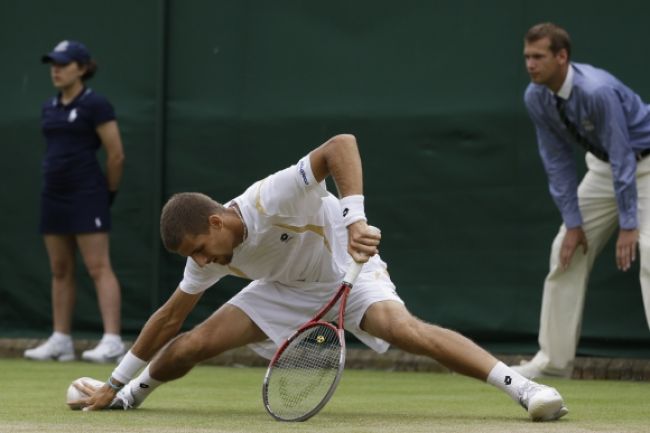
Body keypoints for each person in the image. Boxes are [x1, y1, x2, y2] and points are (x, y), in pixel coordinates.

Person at [72, 134, 567, 421]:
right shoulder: (206, 257)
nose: (201, 262)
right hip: (282, 289)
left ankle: (524, 389)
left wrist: (354, 220)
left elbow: (340, 146)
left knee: (407, 332)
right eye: (193, 257)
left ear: (217, 221)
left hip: (344, 268)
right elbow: (168, 319)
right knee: (192, 343)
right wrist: (117, 383)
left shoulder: (271, 197)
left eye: (201, 249)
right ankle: (130, 399)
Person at [513, 22, 650, 379]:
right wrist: (574, 223)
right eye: (527, 56)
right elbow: (556, 162)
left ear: (562, 57)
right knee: (565, 250)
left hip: (646, 165)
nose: (530, 64)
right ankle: (553, 362)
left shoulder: (596, 90)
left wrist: (629, 224)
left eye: (538, 57)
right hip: (605, 170)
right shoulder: (536, 96)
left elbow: (623, 153)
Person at [24, 40, 126, 363]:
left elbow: (116, 155)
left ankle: (112, 340)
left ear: (81, 68)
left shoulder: (96, 105)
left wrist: (107, 193)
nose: (56, 69)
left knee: (98, 267)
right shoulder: (48, 107)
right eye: (53, 63)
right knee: (59, 268)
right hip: (53, 195)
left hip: (88, 194)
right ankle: (61, 339)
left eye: (63, 64)